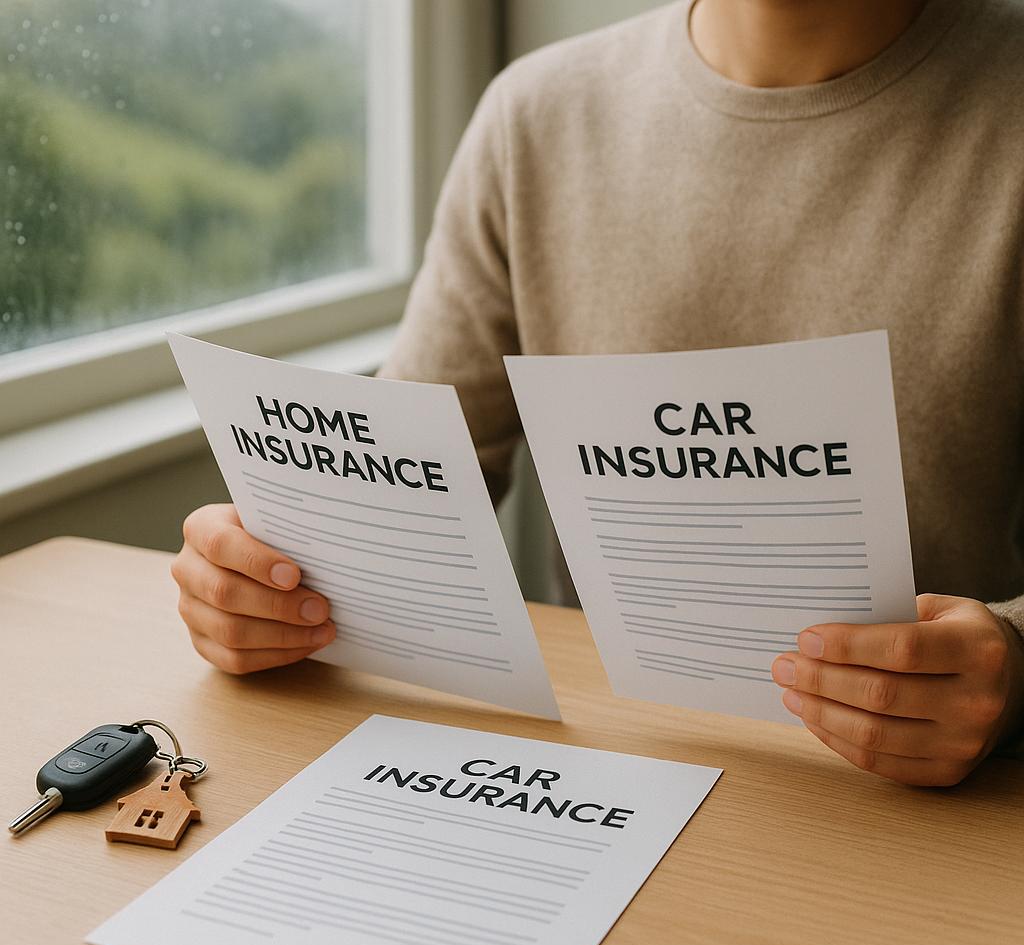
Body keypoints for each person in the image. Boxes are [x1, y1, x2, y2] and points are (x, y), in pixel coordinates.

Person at [172, 0, 1024, 786]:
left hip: (933, 815)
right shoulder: (537, 116)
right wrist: (269, 580)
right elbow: (408, 480)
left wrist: (1017, 666)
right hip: (619, 772)